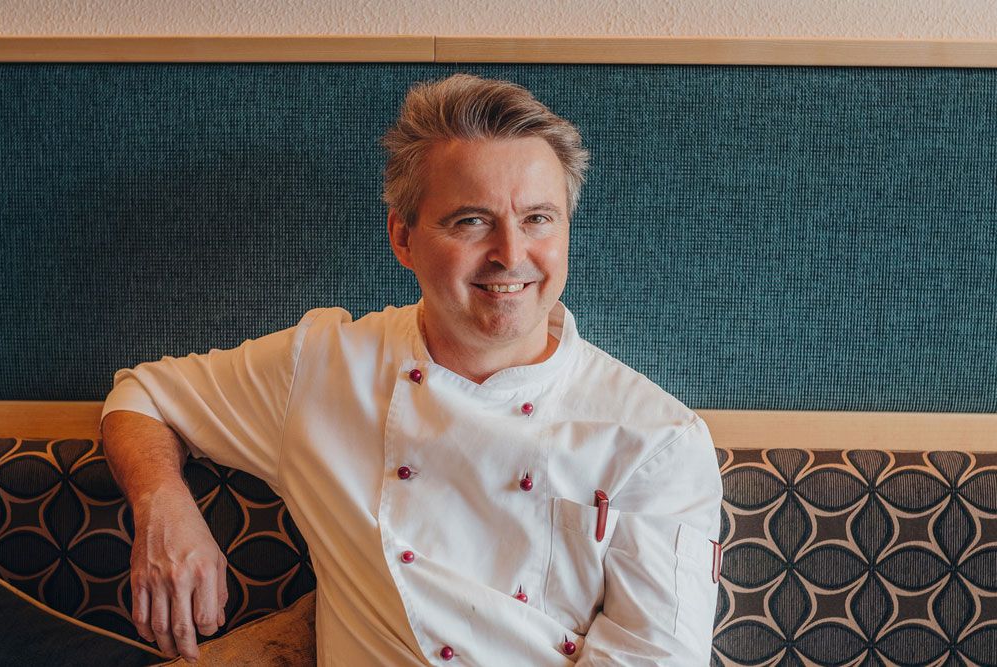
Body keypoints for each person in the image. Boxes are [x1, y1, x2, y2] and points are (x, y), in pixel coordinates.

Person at [101, 73, 724, 666]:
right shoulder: (322, 368)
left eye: (538, 218)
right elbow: (142, 396)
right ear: (403, 239)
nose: (511, 255)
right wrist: (162, 503)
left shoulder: (658, 440)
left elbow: (654, 657)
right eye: (471, 221)